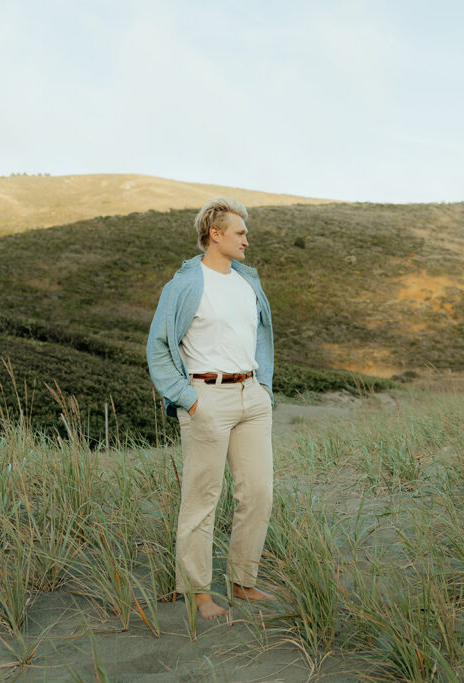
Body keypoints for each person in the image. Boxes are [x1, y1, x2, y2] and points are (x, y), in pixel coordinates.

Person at [146, 197, 276, 619]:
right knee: (202, 497)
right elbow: (159, 347)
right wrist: (189, 400)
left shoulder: (246, 281)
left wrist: (264, 389)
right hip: (207, 398)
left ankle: (243, 582)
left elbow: (260, 337)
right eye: (239, 233)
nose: (246, 241)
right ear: (214, 234)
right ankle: (199, 592)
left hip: (251, 397)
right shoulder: (184, 285)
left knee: (258, 492)